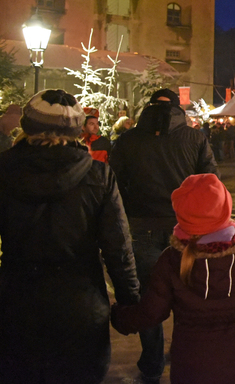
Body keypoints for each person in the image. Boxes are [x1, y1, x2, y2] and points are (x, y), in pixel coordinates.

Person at [0, 89, 140, 383]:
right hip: (81, 305)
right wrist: (129, 301)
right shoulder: (98, 175)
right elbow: (118, 246)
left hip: (16, 300)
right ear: (76, 130)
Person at [111, 174, 235, 384]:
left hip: (189, 369)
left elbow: (150, 312)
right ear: (225, 209)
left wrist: (119, 317)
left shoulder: (172, 259)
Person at [109, 88, 218, 383]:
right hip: (184, 227)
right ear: (178, 109)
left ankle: (153, 360)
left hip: (141, 224)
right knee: (189, 293)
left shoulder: (128, 140)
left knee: (148, 296)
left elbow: (114, 183)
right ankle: (188, 355)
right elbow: (210, 181)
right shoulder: (195, 138)